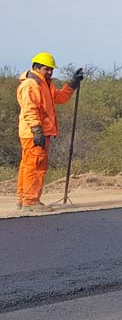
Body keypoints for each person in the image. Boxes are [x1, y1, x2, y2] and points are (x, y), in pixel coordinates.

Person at [16, 52, 83, 213]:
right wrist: (37, 129)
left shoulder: (45, 83)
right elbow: (30, 109)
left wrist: (72, 84)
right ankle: (30, 202)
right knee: (36, 166)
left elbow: (60, 98)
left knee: (28, 166)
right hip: (34, 133)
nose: (50, 72)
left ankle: (24, 199)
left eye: (51, 69)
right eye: (47, 69)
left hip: (37, 132)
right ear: (36, 67)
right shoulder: (31, 85)